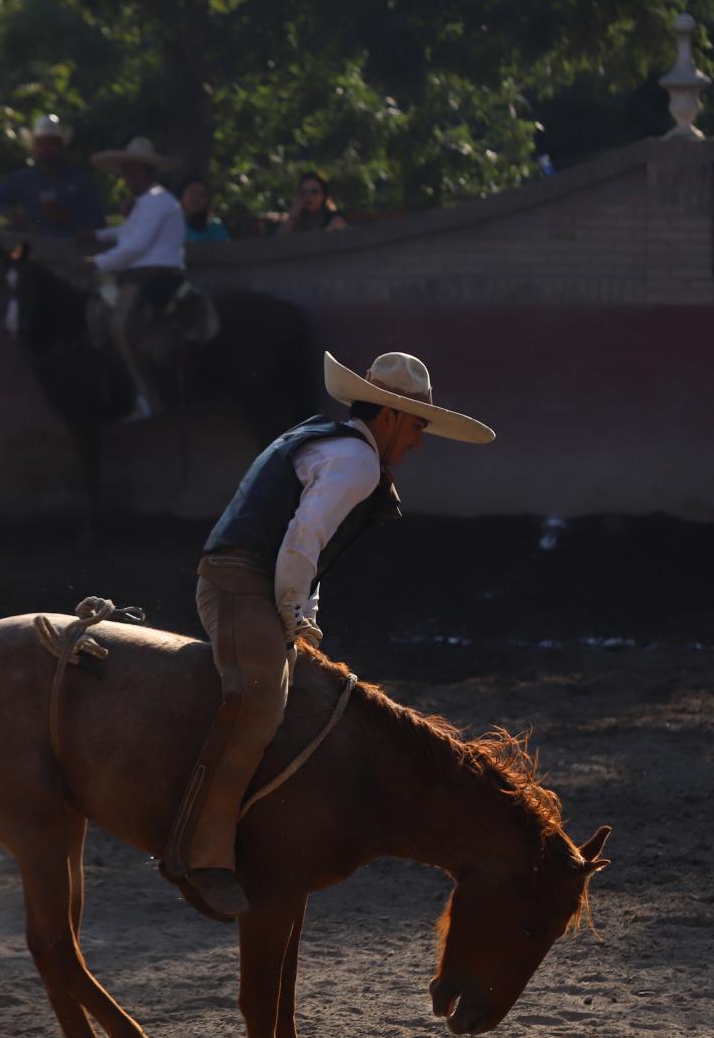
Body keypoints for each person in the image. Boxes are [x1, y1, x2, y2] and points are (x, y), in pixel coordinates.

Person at [164, 351, 496, 915]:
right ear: (389, 418)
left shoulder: (325, 440)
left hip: (240, 581)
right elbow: (301, 542)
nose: (419, 441)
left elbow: (303, 550)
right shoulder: (358, 464)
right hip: (243, 586)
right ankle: (198, 855)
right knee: (260, 705)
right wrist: (296, 617)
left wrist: (302, 616)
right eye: (417, 426)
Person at [85, 136, 185, 421]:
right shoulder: (144, 202)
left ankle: (150, 399)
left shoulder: (156, 201)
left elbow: (137, 245)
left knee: (119, 328)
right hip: (137, 274)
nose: (129, 178)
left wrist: (98, 263)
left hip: (154, 275)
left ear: (149, 172)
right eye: (126, 172)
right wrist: (96, 236)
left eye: (135, 172)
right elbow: (127, 233)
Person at [0, 114, 107, 239]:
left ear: (62, 146)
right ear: (34, 147)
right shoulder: (23, 179)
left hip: (70, 252)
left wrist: (66, 216)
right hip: (30, 250)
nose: (46, 149)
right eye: (40, 144)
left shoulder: (81, 182)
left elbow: (98, 223)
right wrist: (10, 214)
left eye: (52, 143)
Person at [278, 171, 348, 234]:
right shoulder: (296, 220)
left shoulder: (332, 217)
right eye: (304, 193)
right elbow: (279, 242)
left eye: (314, 192)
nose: (308, 196)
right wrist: (294, 214)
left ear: (323, 195)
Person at [180, 176, 231, 244]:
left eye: (202, 195)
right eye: (192, 193)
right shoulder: (171, 222)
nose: (196, 198)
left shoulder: (214, 226)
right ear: (181, 196)